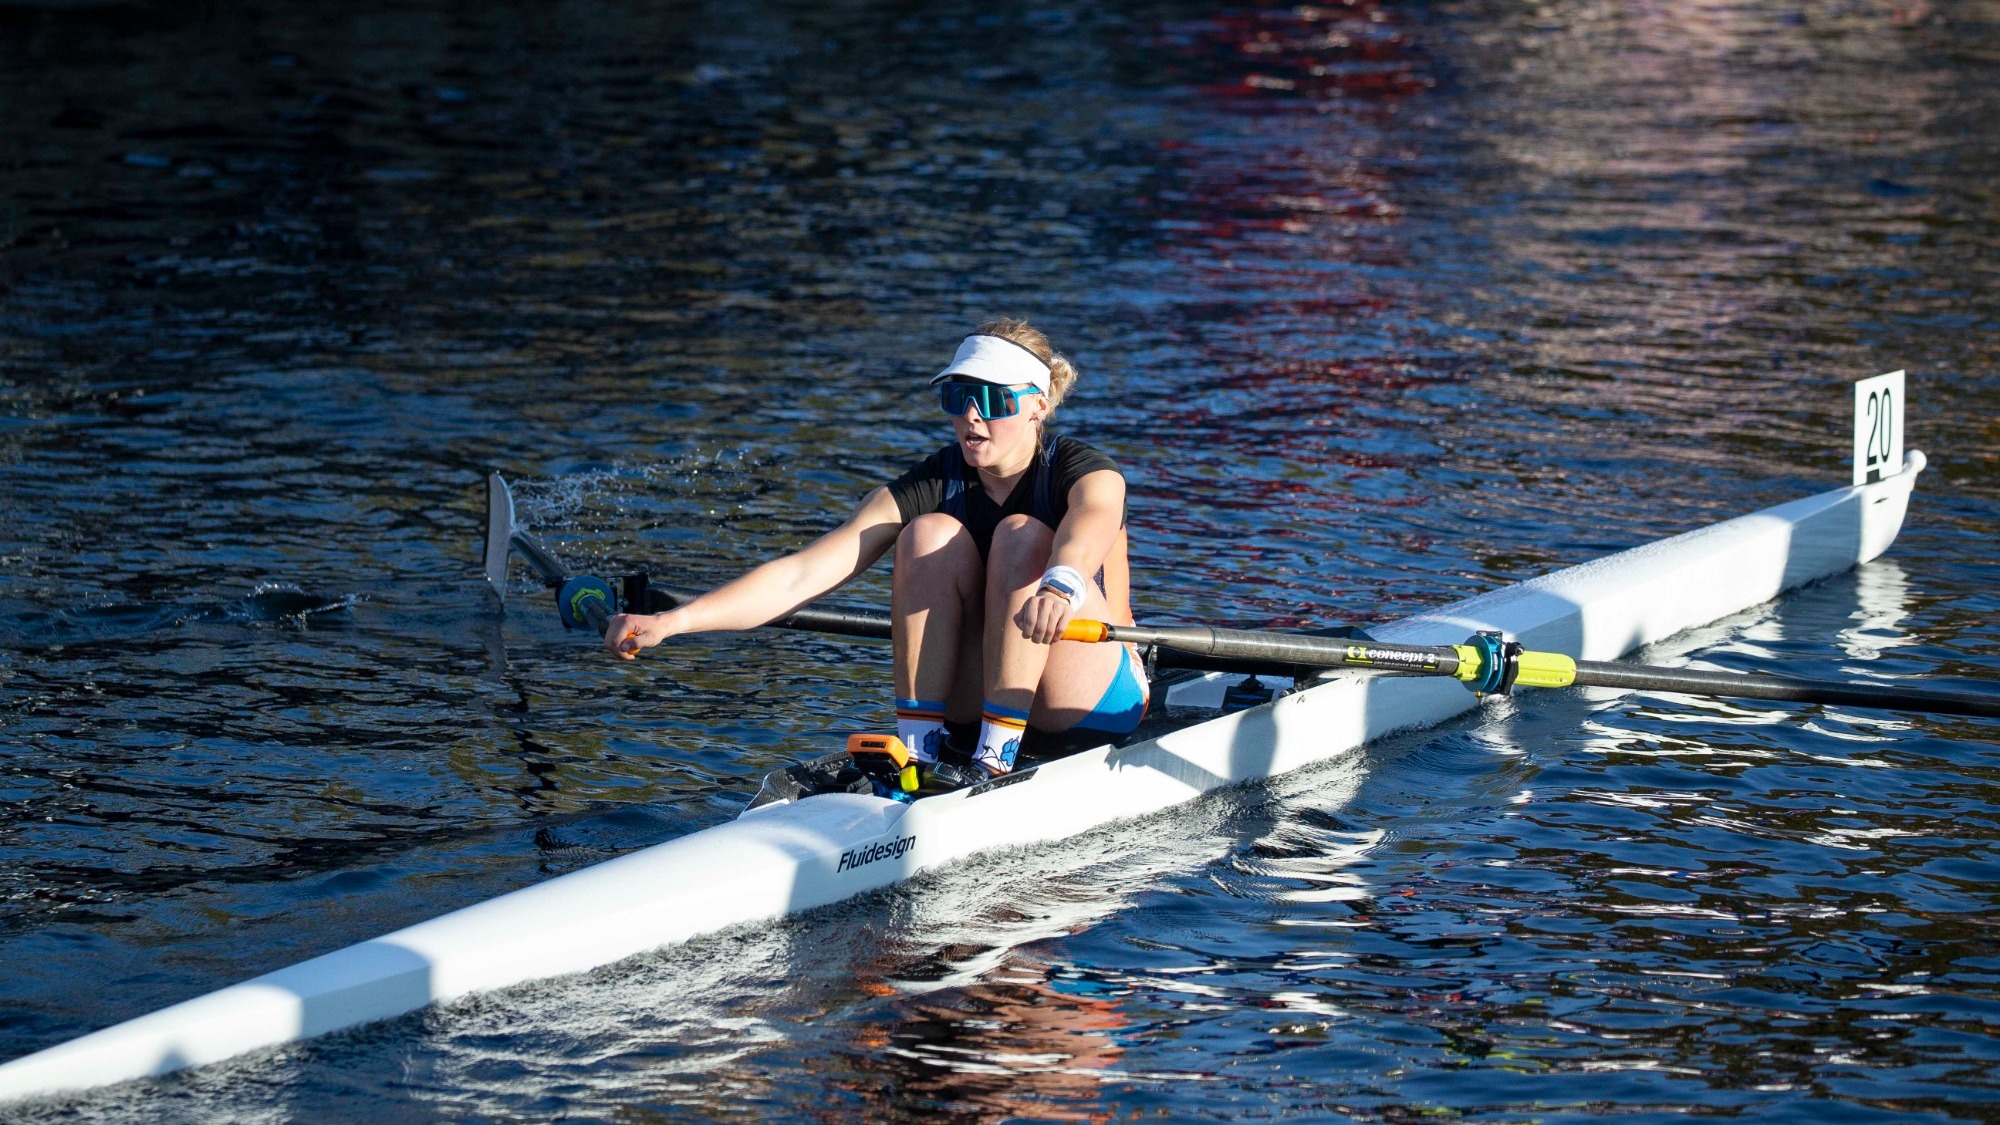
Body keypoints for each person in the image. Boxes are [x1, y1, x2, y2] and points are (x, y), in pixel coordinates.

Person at [603, 318, 1147, 786]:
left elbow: (1088, 527)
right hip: (979, 701)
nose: (972, 417)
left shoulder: (1084, 471)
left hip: (1089, 701)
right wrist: (675, 622)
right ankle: (920, 748)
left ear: (1039, 405)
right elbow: (802, 577)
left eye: (993, 401)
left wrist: (1060, 582)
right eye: (958, 397)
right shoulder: (936, 481)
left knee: (1022, 535)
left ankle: (994, 758)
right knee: (926, 534)